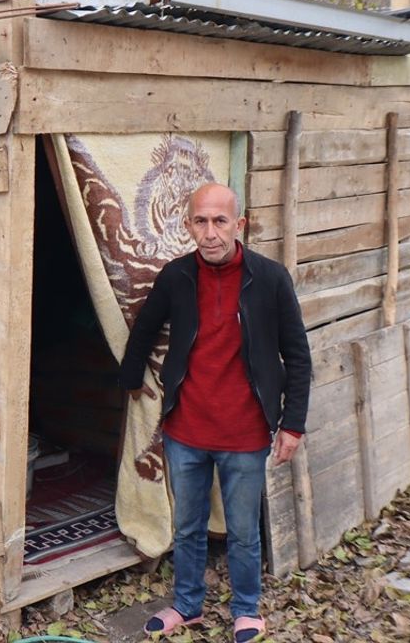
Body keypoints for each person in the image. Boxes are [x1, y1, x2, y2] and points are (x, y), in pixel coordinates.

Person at [119, 183, 312, 642]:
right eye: (200, 221)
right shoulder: (177, 277)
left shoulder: (270, 278)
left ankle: (246, 609)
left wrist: (293, 424)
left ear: (238, 225)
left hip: (245, 434)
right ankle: (187, 605)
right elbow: (144, 328)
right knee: (187, 527)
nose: (210, 232)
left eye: (220, 221)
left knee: (243, 532)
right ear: (188, 226)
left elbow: (298, 355)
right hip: (186, 430)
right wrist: (129, 380)